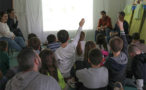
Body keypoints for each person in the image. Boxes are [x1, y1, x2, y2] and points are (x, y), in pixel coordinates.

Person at [104, 20, 128, 90]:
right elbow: (125, 43)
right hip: (122, 81)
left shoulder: (109, 61)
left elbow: (104, 70)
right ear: (121, 47)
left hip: (112, 84)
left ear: (110, 48)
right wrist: (121, 28)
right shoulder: (125, 55)